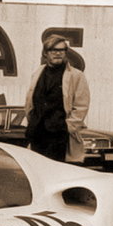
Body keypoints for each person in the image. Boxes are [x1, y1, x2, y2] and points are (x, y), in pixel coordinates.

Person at [23, 34, 90, 162]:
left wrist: (68, 127)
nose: (58, 53)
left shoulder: (76, 76)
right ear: (45, 53)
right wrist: (31, 124)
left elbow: (81, 106)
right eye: (53, 50)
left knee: (57, 173)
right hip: (37, 132)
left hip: (59, 135)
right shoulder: (38, 73)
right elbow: (30, 101)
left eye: (61, 50)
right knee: (38, 171)